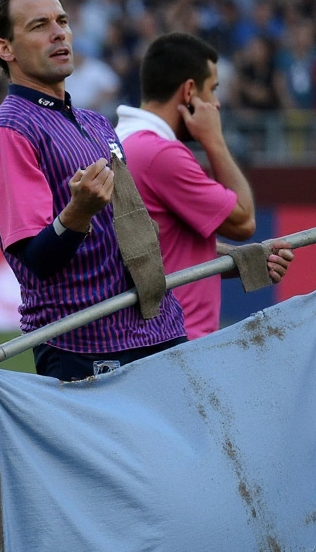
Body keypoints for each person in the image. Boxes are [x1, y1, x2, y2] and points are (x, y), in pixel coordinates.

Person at [0, 0, 186, 383]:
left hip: (160, 330)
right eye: (39, 26)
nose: (59, 34)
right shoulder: (10, 131)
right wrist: (79, 211)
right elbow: (37, 262)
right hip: (86, 346)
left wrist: (234, 259)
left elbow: (134, 235)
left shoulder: (96, 123)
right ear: (5, 48)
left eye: (62, 21)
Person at [115, 32, 293, 341]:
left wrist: (243, 261)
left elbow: (165, 252)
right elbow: (244, 220)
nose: (217, 103)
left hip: (154, 341)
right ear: (189, 92)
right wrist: (215, 140)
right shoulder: (160, 154)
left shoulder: (122, 139)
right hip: (178, 342)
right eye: (212, 89)